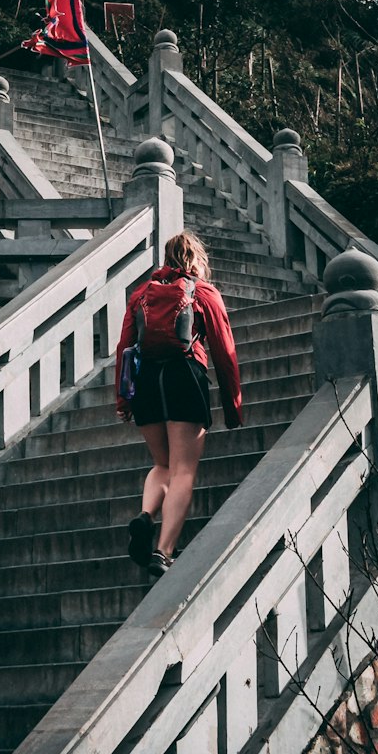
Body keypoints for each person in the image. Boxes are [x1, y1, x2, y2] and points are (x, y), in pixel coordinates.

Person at [115, 230, 243, 577]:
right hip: (184, 374)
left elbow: (125, 347)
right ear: (196, 259)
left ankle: (145, 515)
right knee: (184, 468)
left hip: (146, 383)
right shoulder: (202, 292)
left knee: (162, 464)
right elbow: (224, 350)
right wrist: (233, 405)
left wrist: (123, 397)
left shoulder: (142, 294)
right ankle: (163, 551)